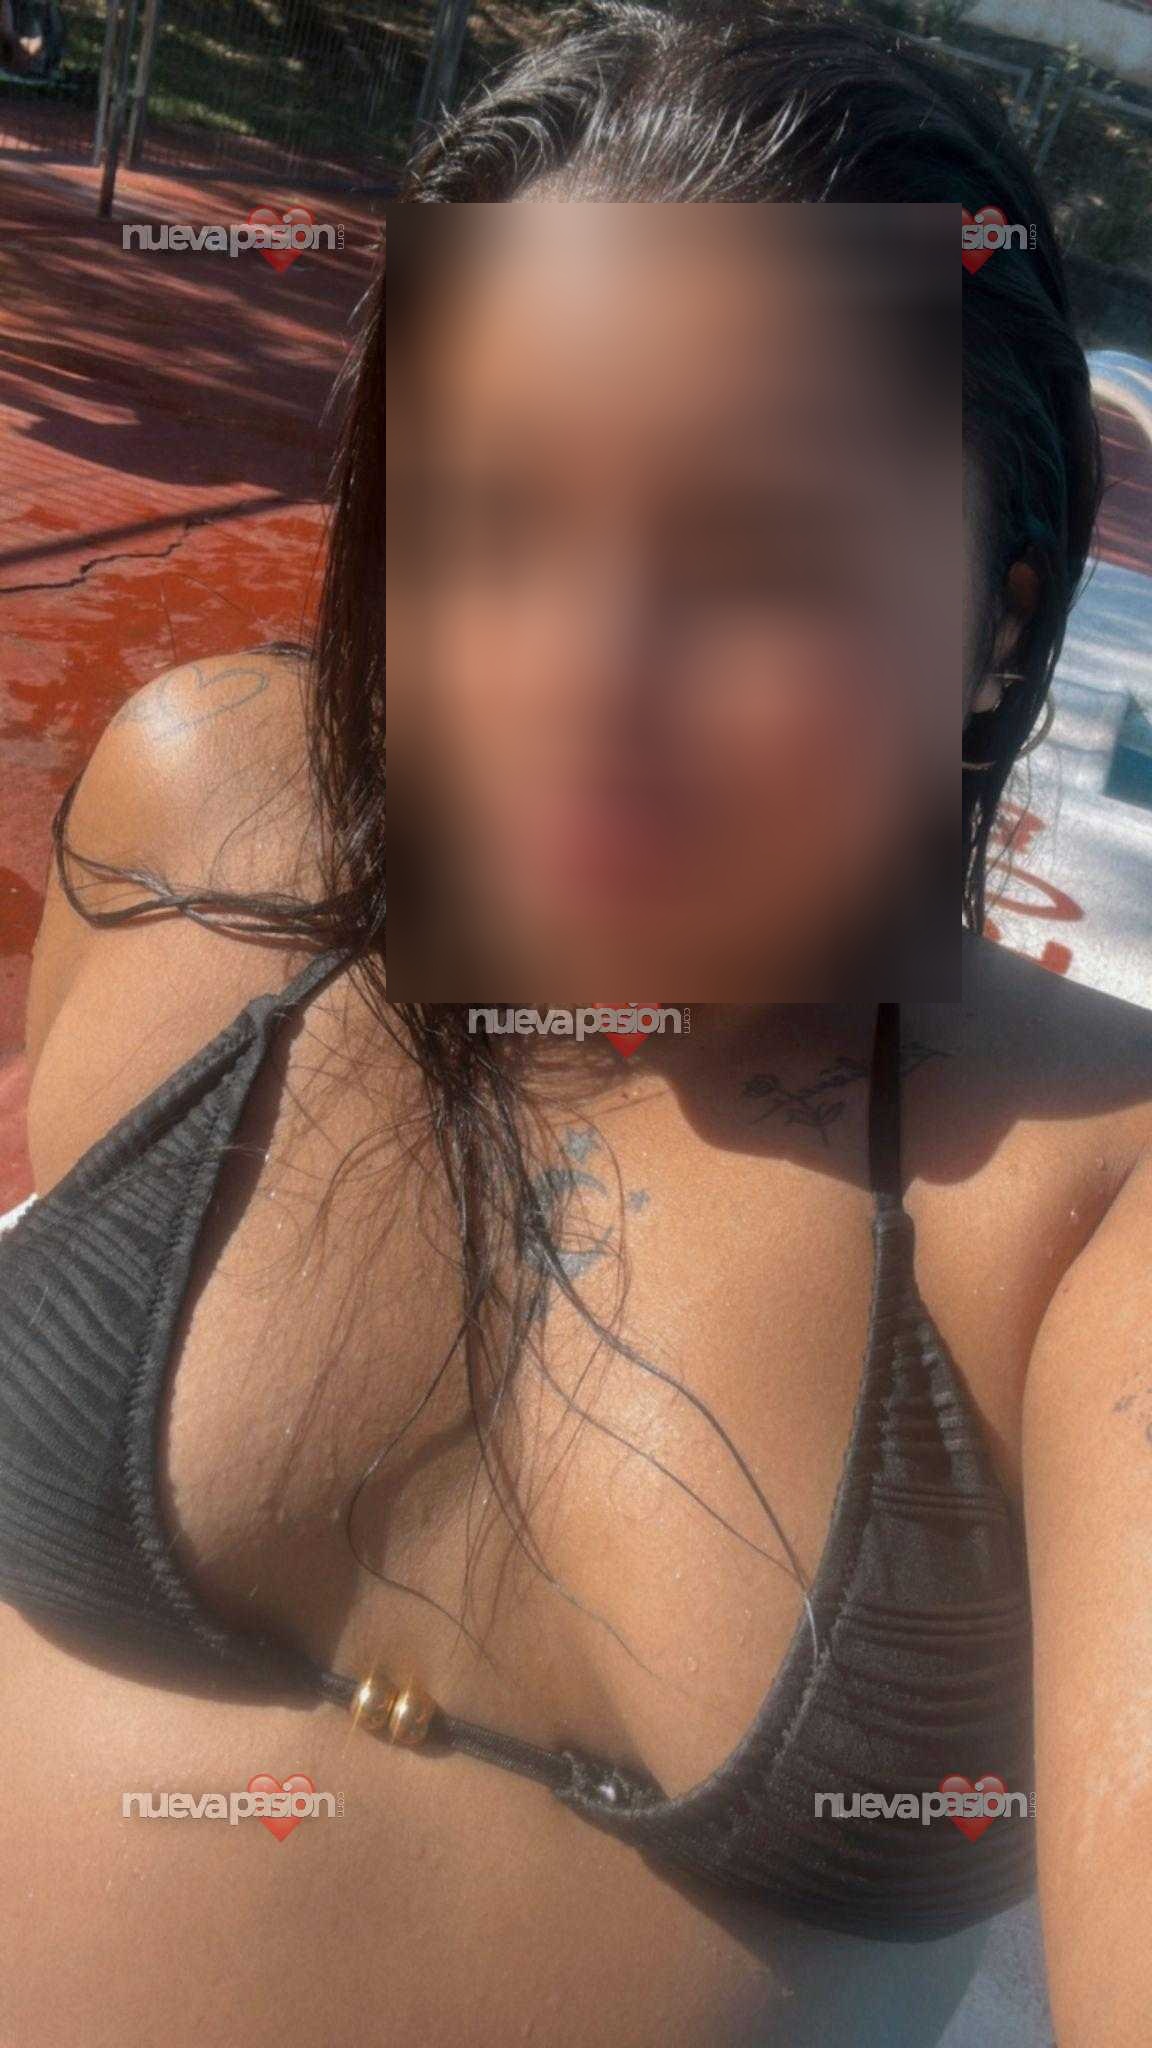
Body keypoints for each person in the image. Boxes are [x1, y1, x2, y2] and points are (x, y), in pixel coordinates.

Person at [1, 6, 1150, 2043]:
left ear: (995, 619)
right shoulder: (202, 825)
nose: (586, 674)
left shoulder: (1085, 1216)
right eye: (496, 520)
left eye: (762, 550)